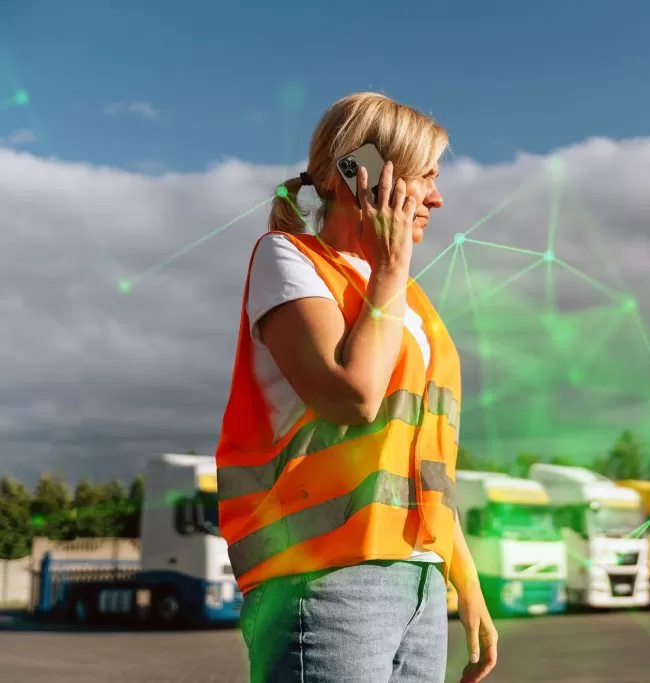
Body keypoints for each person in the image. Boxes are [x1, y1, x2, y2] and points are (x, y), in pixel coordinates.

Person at [215, 92, 498, 683]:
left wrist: (464, 582)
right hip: (324, 582)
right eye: (424, 178)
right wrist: (391, 270)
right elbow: (353, 396)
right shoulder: (289, 259)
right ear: (359, 174)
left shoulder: (410, 304)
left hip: (417, 580)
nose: (437, 199)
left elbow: (424, 463)